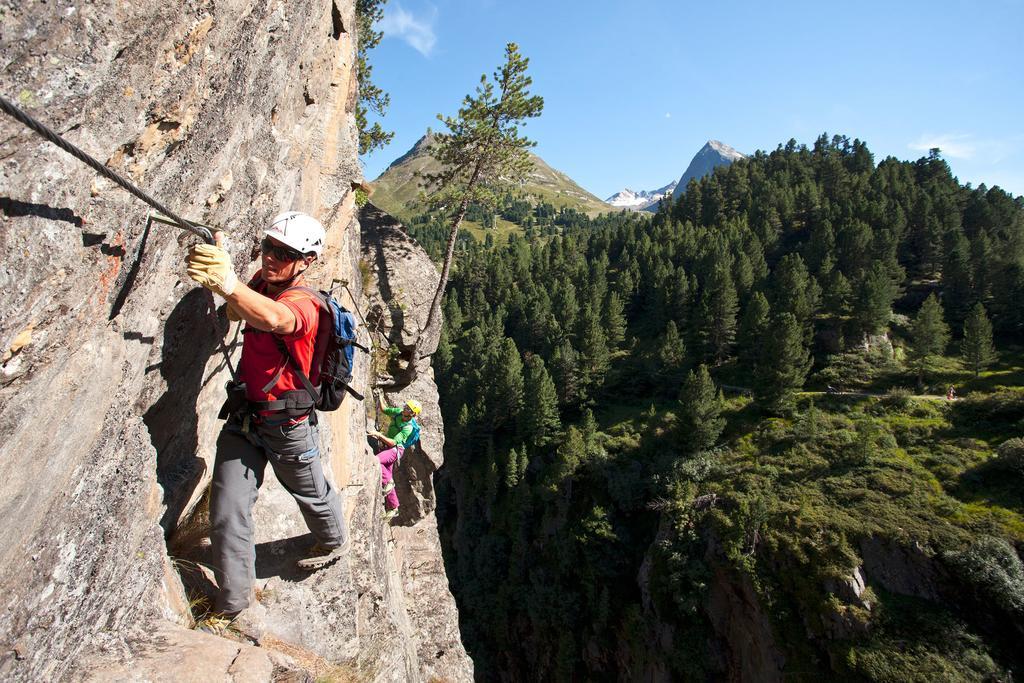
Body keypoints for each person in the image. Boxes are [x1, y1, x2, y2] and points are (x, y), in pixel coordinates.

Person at [185, 211, 348, 634]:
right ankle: (234, 602)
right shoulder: (261, 284)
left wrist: (228, 283)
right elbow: (243, 311)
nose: (271, 258)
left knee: (311, 492)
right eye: (267, 247)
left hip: (288, 425)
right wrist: (223, 264)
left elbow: (278, 320)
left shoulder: (306, 304)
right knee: (227, 508)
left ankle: (331, 540)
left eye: (285, 253)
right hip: (246, 416)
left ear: (306, 260)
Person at [368, 396, 421, 521]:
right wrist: (379, 396)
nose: (405, 408)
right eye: (406, 406)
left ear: (412, 413)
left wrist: (379, 435)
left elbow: (393, 443)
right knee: (387, 477)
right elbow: (385, 409)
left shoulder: (408, 428)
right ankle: (393, 507)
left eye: (408, 408)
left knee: (377, 461)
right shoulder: (398, 412)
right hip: (387, 447)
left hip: (394, 450)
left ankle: (389, 483)